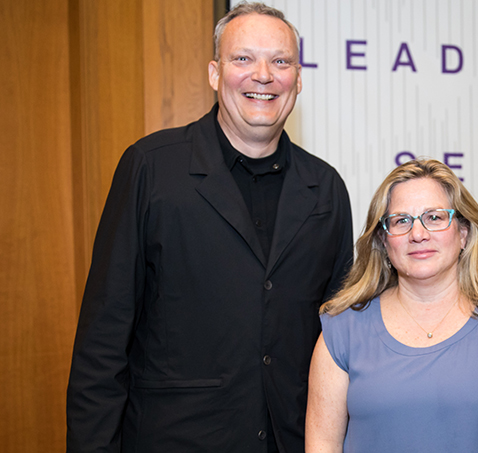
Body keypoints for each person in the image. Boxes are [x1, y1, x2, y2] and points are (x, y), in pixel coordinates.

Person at [66, 3, 353, 452]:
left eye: (281, 61)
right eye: (243, 59)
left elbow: (341, 342)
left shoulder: (326, 189)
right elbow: (103, 341)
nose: (263, 75)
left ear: (298, 78)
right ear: (215, 73)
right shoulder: (151, 168)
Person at [305, 159, 478, 453]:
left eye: (435, 217)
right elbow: (323, 444)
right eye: (401, 221)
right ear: (384, 241)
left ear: (464, 233)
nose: (418, 234)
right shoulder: (341, 333)